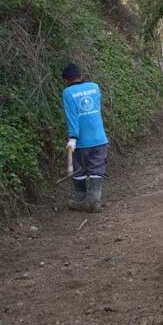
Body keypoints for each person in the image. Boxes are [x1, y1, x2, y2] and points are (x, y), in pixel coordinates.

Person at [61, 63, 108, 213]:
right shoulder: (95, 87)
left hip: (81, 141)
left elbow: (72, 117)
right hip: (99, 138)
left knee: (79, 169)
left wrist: (72, 137)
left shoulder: (68, 92)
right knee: (96, 168)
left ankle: (80, 199)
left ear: (66, 80)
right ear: (80, 75)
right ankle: (95, 201)